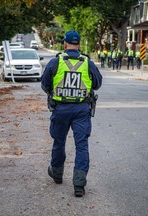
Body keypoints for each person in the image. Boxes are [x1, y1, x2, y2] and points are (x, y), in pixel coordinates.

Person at [41, 30, 102, 197]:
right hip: (81, 110)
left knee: (59, 141)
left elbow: (45, 84)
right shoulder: (87, 63)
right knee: (81, 145)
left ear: (65, 44)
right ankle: (79, 185)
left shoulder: (55, 62)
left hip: (60, 109)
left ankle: (57, 173)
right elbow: (97, 84)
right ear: (79, 45)